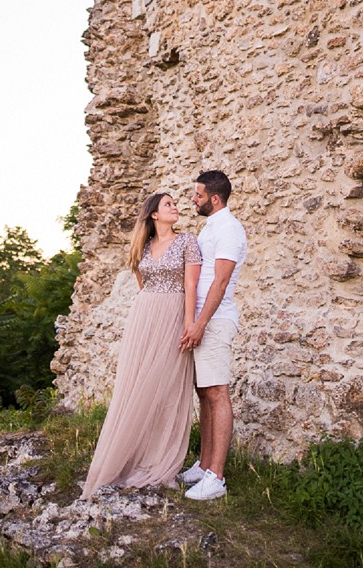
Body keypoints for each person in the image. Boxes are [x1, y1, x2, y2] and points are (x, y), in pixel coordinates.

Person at [81, 192, 202, 498]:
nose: (176, 208)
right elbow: (142, 282)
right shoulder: (143, 246)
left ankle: (160, 459)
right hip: (145, 316)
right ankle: (127, 456)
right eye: (168, 205)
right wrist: (152, 307)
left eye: (175, 204)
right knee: (136, 384)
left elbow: (191, 284)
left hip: (174, 314)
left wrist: (189, 323)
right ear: (154, 215)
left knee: (166, 386)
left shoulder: (188, 241)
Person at [178, 169, 247, 501]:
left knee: (217, 392)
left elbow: (220, 282)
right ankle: (203, 465)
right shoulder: (209, 229)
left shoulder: (230, 230)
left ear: (214, 198)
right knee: (204, 393)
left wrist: (200, 324)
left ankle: (216, 478)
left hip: (216, 321)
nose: (194, 199)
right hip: (202, 320)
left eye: (198, 194)